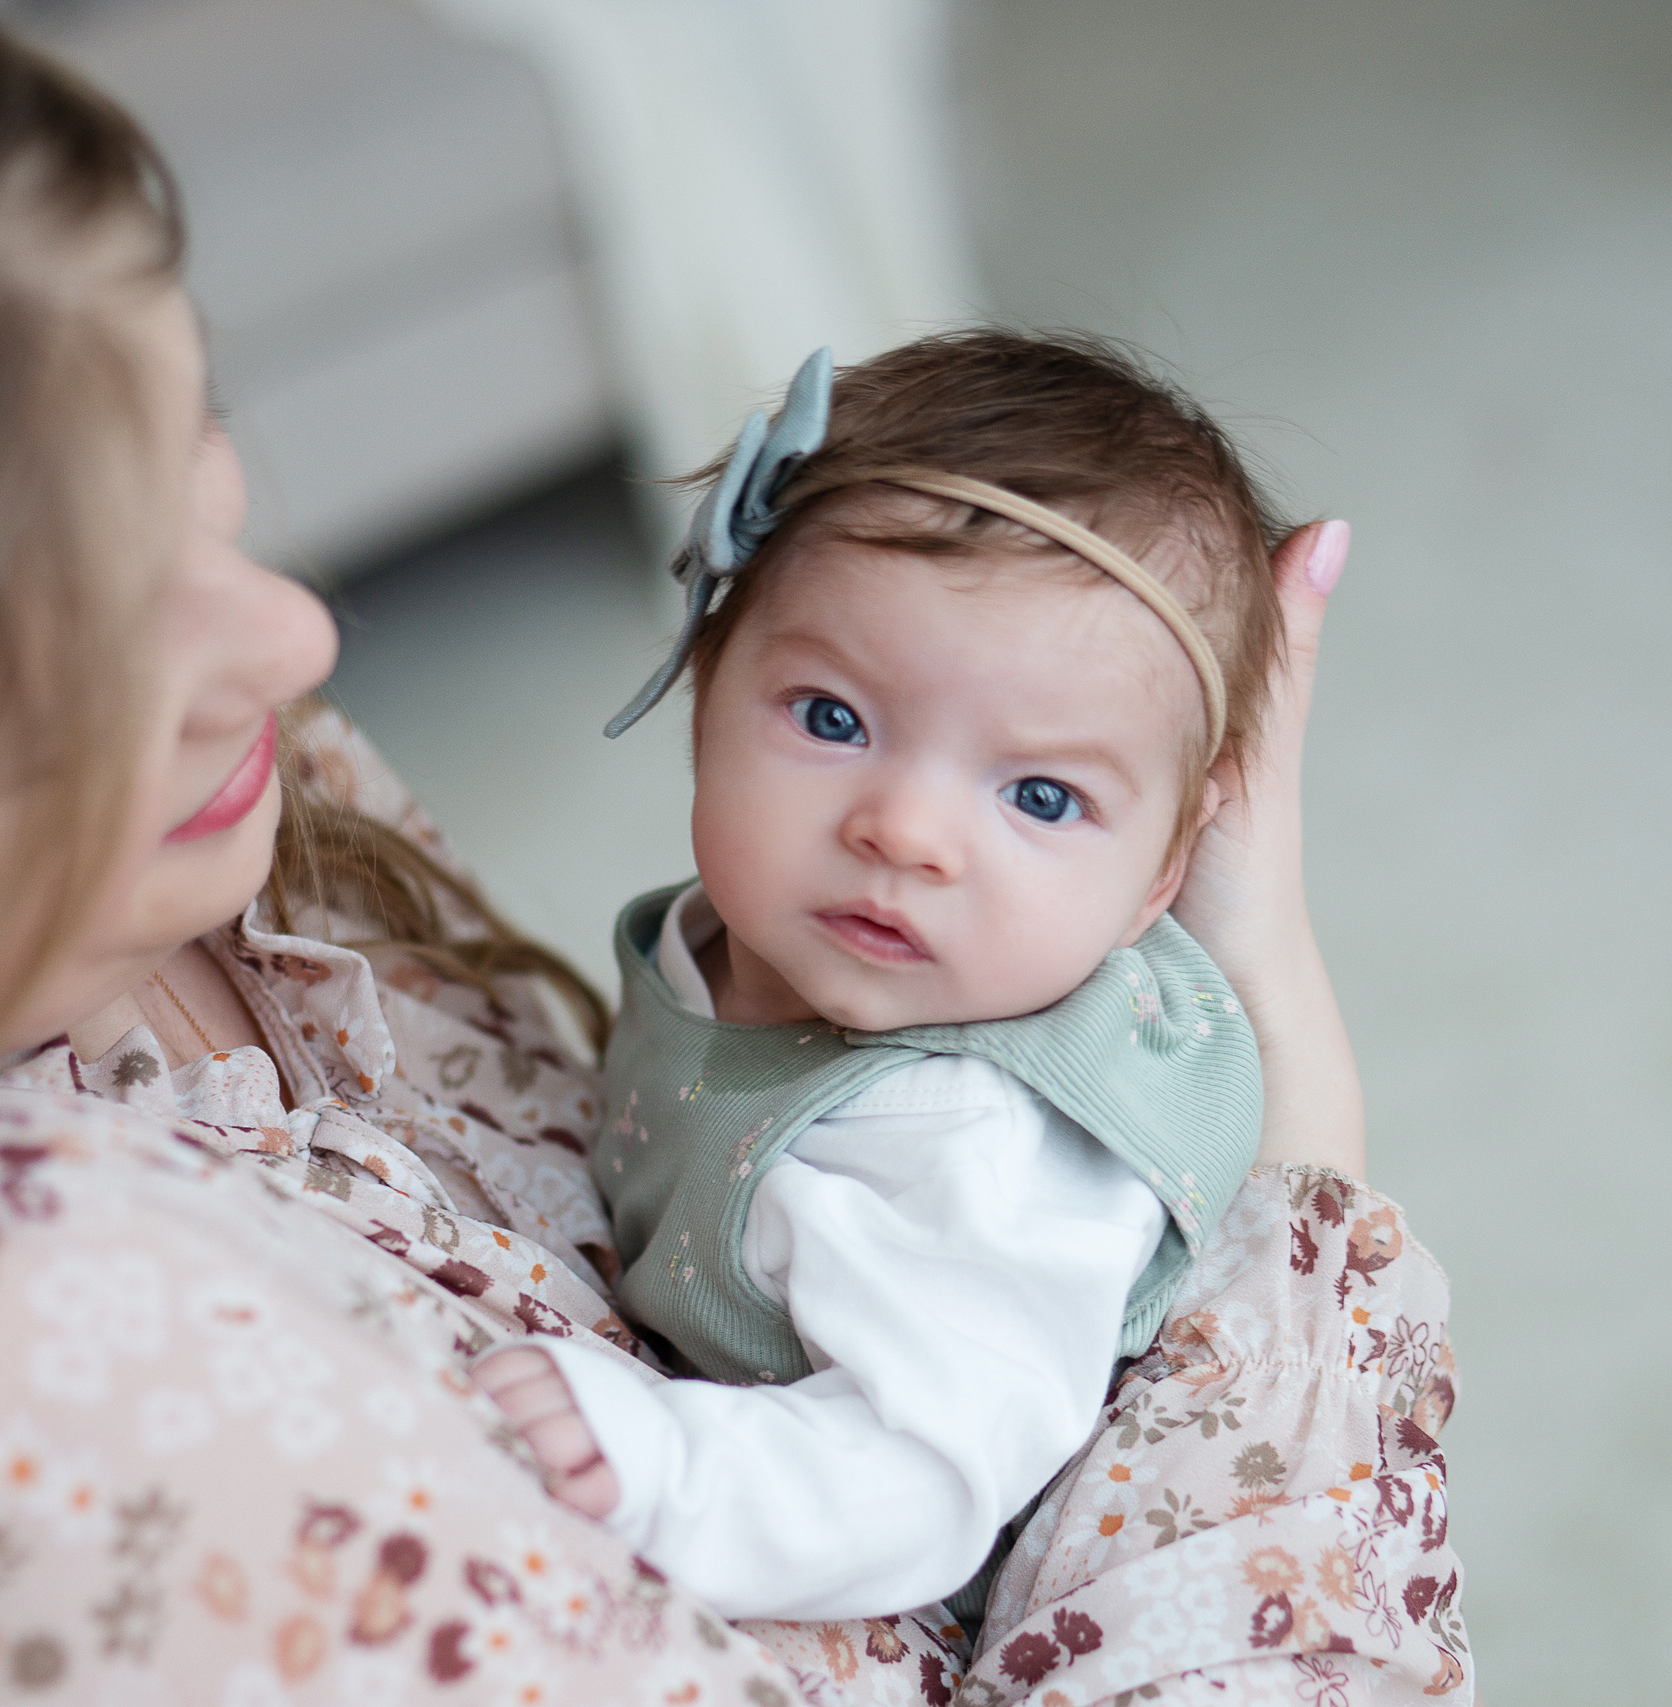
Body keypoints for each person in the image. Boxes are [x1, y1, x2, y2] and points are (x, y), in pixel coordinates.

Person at [0, 2, 1467, 1704]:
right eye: (39, 623)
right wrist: (1296, 1127)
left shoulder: (236, 809)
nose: (289, 631)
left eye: (186, 433)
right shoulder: (20, 1381)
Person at [470, 332, 1284, 1627]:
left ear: (1157, 882)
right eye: (833, 719)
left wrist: (663, 1466)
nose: (904, 831)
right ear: (705, 692)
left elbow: (923, 1485)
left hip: (894, 1589)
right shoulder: (753, 932)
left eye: (1040, 795)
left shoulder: (963, 1148)